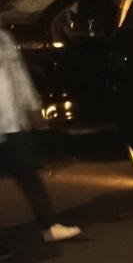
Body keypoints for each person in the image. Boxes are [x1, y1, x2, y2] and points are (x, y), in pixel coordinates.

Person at [0, 26, 81, 248]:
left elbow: (19, 78)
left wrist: (33, 108)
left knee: (29, 175)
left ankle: (49, 226)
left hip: (13, 123)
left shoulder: (4, 38)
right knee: (27, 175)